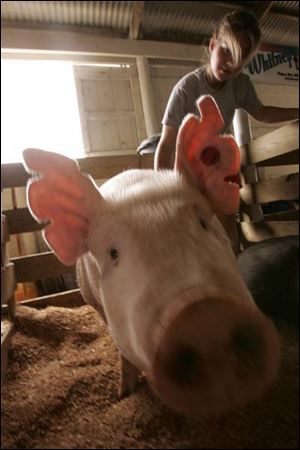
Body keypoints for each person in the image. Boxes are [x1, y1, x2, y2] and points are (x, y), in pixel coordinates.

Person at [154, 9, 299, 253]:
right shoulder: (186, 89)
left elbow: (262, 113)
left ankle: (234, 266)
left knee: (228, 221)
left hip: (218, 167)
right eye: (226, 51)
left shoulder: (240, 85)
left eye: (239, 58)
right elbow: (167, 143)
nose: (230, 63)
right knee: (192, 227)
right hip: (187, 168)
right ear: (212, 44)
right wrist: (162, 188)